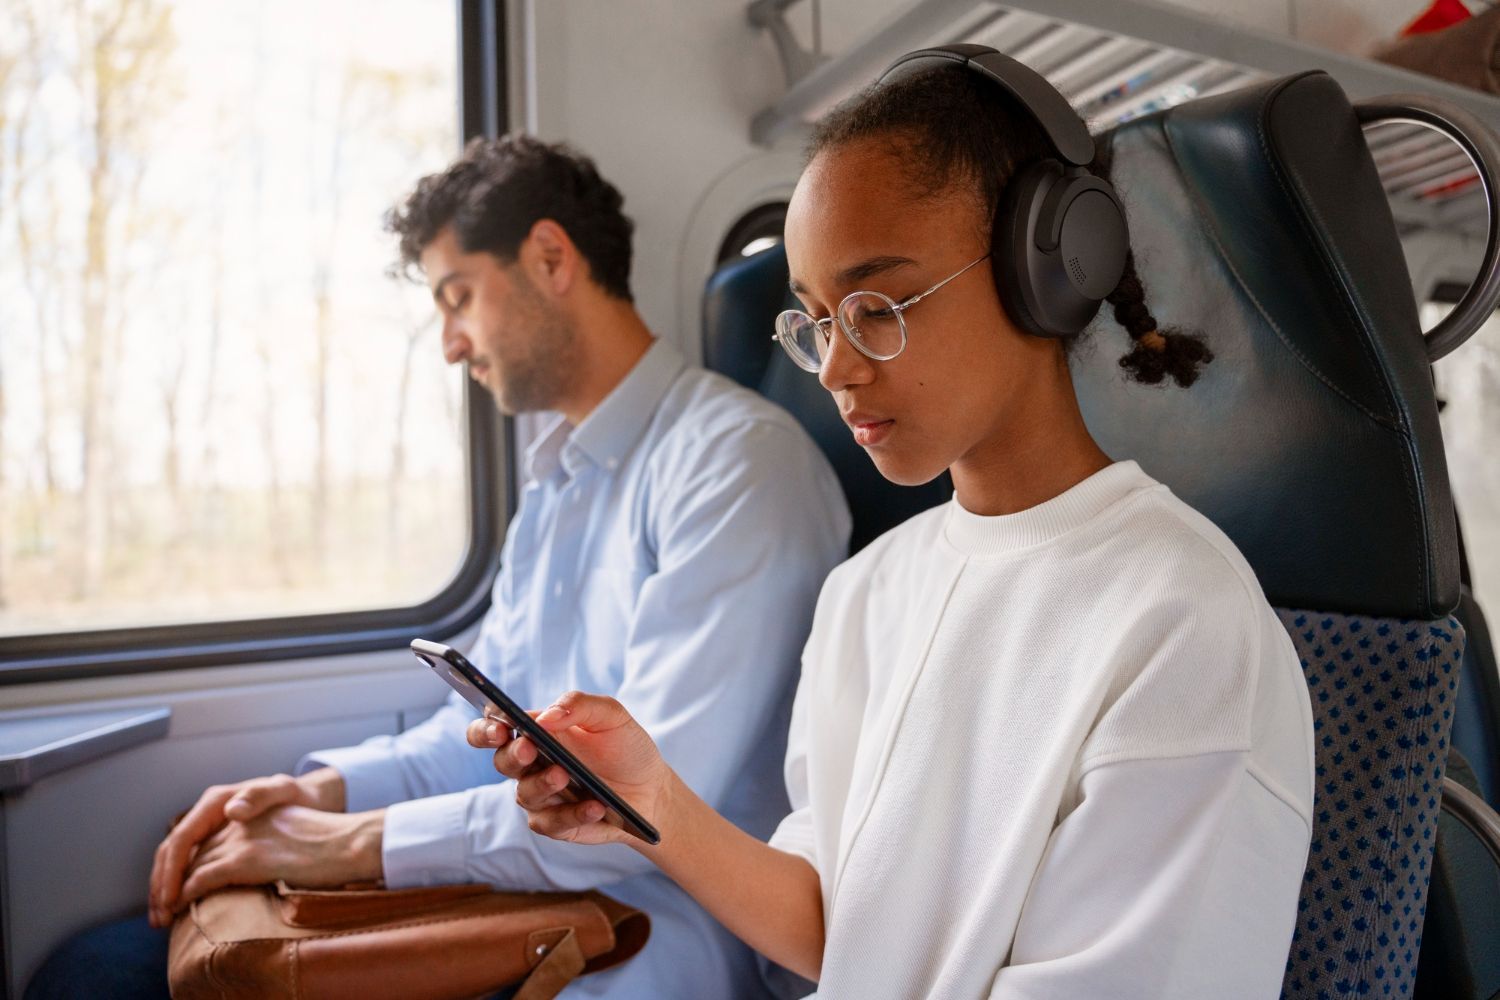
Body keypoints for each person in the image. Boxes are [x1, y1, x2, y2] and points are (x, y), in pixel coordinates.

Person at [467, 55, 1317, 999]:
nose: (833, 367)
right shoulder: (866, 591)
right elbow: (844, 928)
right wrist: (650, 801)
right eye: (818, 319)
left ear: (1043, 269)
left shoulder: (1182, 622)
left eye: (876, 307)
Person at [26, 136, 850, 1000]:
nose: (452, 345)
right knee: (92, 972)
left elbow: (637, 812)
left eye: (458, 299)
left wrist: (352, 846)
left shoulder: (738, 468)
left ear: (548, 259)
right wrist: (320, 793)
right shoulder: (557, 484)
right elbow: (483, 743)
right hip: (520, 894)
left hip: (657, 929)